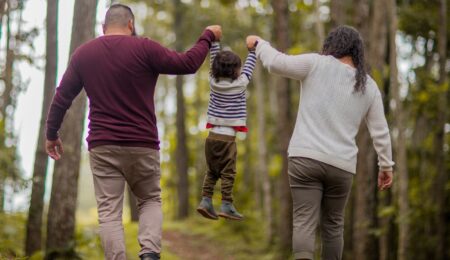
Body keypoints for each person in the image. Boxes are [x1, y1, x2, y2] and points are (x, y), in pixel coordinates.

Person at [45, 4, 222, 260]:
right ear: (131, 24)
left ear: (103, 28)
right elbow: (188, 63)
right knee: (149, 199)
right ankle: (150, 254)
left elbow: (62, 97)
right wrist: (207, 35)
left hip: (103, 145)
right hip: (143, 144)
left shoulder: (84, 54)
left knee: (109, 212)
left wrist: (52, 134)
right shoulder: (145, 47)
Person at [246, 26, 395, 260]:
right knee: (334, 226)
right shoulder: (369, 86)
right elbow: (381, 131)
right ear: (357, 52)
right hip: (341, 166)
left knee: (304, 220)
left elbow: (276, 63)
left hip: (305, 158)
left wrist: (259, 44)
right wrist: (386, 166)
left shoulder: (316, 63)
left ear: (332, 45)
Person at [196, 41, 257, 221]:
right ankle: (226, 204)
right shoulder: (241, 84)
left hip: (211, 138)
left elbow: (213, 59)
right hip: (228, 140)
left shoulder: (212, 82)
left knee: (212, 171)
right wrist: (252, 51)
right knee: (228, 173)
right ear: (236, 71)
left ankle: (206, 200)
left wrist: (214, 42)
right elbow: (249, 67)